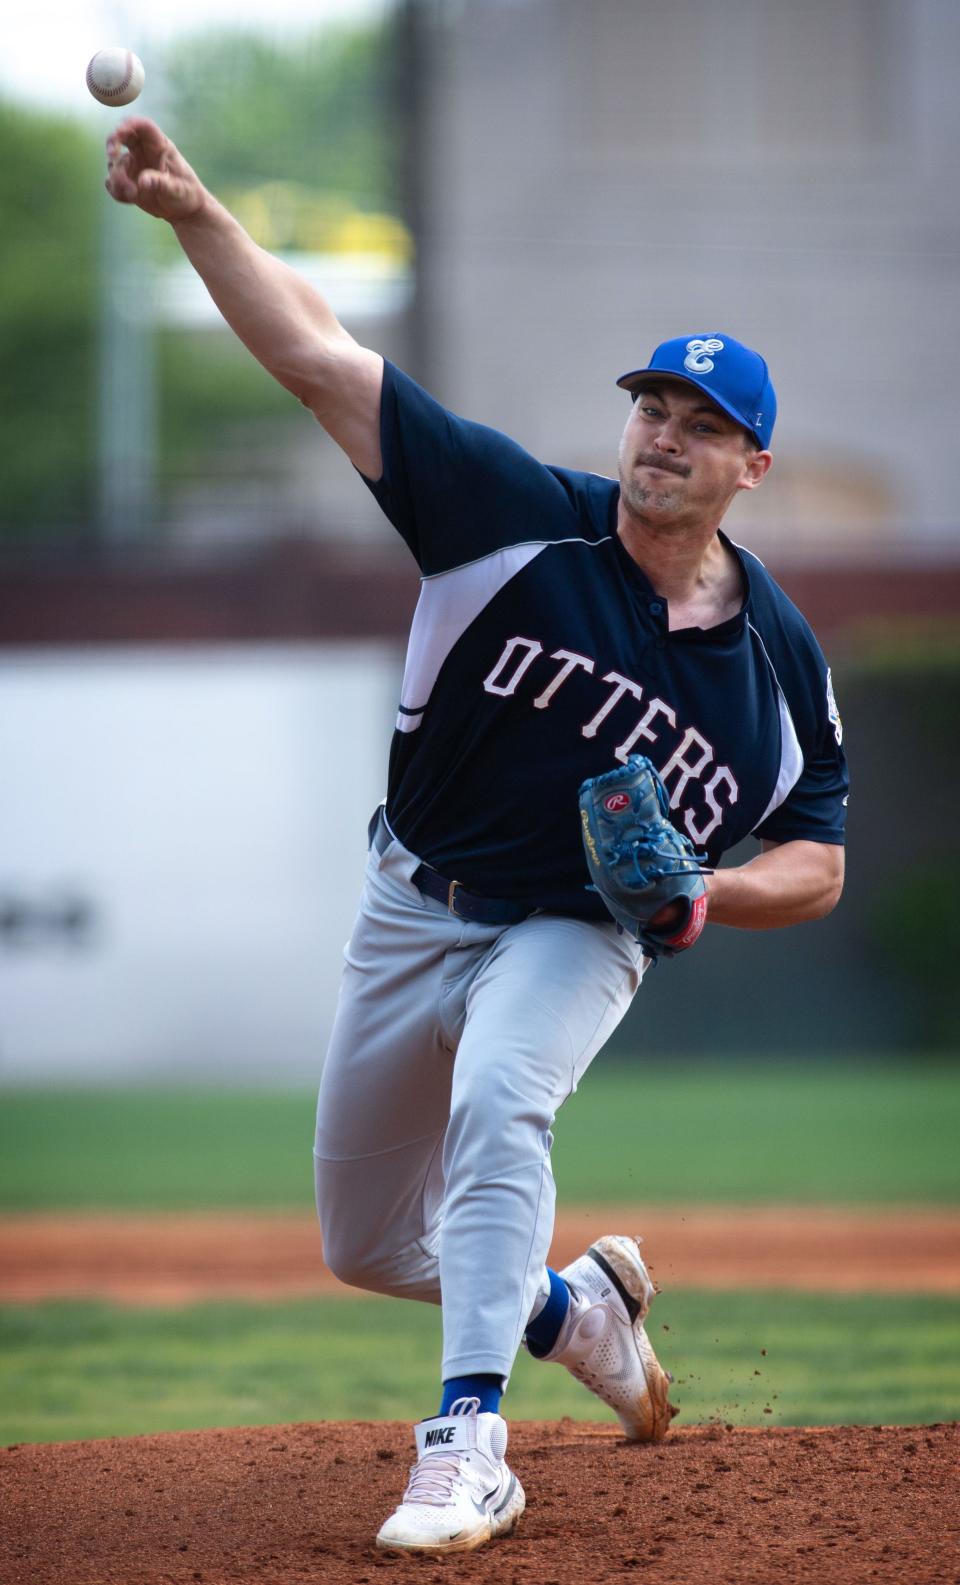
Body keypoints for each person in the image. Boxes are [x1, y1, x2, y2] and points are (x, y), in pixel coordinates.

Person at [105, 119, 848, 1556]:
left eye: (700, 423)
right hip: (410, 896)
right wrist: (197, 210)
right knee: (367, 1243)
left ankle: (467, 1445)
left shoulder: (778, 666)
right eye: (650, 408)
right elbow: (321, 356)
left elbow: (816, 861)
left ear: (752, 466)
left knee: (502, 1097)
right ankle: (582, 1311)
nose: (663, 435)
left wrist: (707, 892)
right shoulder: (510, 518)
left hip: (574, 927)